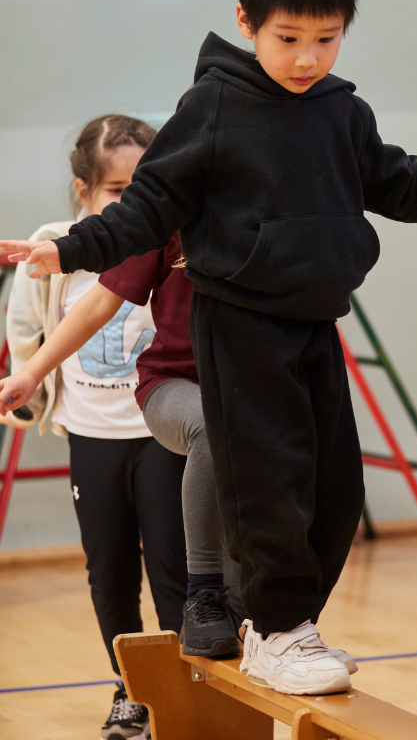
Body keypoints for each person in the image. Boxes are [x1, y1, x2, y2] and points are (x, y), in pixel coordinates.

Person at [1, 0, 417, 697]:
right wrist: (66, 249)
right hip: (236, 324)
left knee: (334, 493)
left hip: (311, 323)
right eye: (288, 37)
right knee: (264, 484)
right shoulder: (213, 110)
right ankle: (273, 630)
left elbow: (402, 184)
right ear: (246, 23)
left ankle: (286, 624)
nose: (306, 58)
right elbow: (147, 208)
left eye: (326, 39)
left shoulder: (339, 111)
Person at [4, 114, 185, 740]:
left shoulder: (166, 237)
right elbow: (26, 328)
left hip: (161, 432)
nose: (130, 200)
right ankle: (130, 691)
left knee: (174, 569)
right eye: (115, 189)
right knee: (109, 573)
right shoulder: (56, 242)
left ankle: (183, 692)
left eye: (143, 185)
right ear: (83, 189)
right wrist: (28, 386)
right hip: (92, 436)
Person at [0, 231, 248, 663]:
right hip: (163, 395)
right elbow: (98, 301)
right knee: (114, 574)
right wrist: (31, 373)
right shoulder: (164, 220)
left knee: (245, 594)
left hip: (245, 396)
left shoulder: (272, 212)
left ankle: (255, 635)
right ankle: (198, 601)